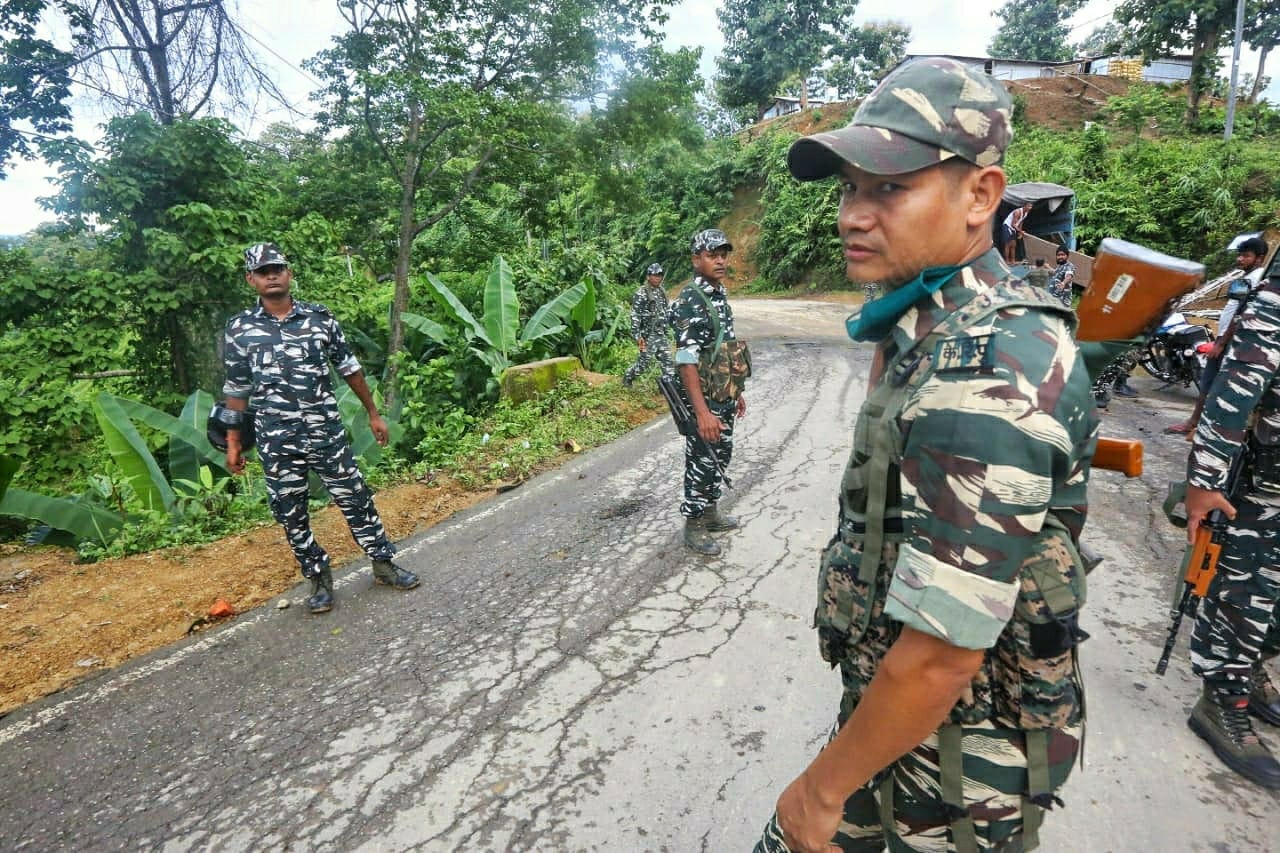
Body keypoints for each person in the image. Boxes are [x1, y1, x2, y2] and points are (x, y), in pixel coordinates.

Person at [754, 57, 1098, 852]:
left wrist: (818, 791)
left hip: (950, 772)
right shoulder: (930, 326)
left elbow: (943, 654)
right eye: (848, 189)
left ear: (981, 195)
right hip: (917, 729)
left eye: (889, 188)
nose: (852, 216)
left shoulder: (987, 368)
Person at [222, 242, 419, 615]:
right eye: (263, 272)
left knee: (356, 497)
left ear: (289, 273)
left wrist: (373, 413)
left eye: (277, 268)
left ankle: (383, 563)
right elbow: (236, 389)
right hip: (277, 438)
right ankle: (318, 577)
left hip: (324, 430)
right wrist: (234, 441)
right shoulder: (239, 329)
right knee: (290, 511)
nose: (272, 275)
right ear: (251, 280)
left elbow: (349, 368)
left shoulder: (319, 318)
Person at [1182, 259, 1280, 789]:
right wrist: (1204, 481)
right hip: (1264, 496)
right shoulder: (1274, 306)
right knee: (1245, 596)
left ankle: (1254, 665)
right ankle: (1223, 699)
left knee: (1274, 608)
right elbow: (1229, 403)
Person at [668, 229, 750, 556]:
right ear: (696, 259)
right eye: (712, 254)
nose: (720, 260)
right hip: (703, 399)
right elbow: (686, 361)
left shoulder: (718, 295)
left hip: (722, 395)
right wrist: (702, 412)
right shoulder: (691, 300)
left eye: (723, 254)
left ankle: (711, 512)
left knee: (722, 454)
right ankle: (694, 524)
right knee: (702, 459)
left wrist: (735, 391)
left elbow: (721, 351)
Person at [1166, 237, 1270, 436]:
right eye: (1239, 255)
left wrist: (1221, 343)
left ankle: (1199, 425)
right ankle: (1197, 423)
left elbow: (1240, 314)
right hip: (1227, 337)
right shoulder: (1247, 277)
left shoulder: (1253, 280)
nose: (1240, 259)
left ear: (1260, 259)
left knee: (1212, 382)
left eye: (1246, 256)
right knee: (1209, 381)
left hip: (1231, 341)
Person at [622, 263, 674, 387]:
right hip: (648, 335)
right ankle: (628, 377)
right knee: (643, 364)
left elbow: (667, 310)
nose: (657, 278)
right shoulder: (641, 293)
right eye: (655, 275)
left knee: (668, 362)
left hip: (660, 334)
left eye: (660, 275)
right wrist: (637, 336)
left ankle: (668, 388)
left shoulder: (662, 291)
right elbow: (635, 315)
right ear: (648, 276)